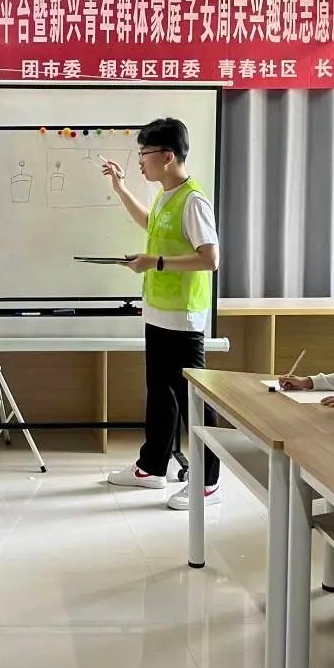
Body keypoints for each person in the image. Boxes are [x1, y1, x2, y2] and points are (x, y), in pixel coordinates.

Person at [102, 117, 221, 510]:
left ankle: (208, 482)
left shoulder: (193, 200)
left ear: (168, 156)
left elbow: (210, 259)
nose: (140, 161)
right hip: (158, 312)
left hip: (183, 318)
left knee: (194, 402)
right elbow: (151, 224)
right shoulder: (166, 196)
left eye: (145, 153)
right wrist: (121, 189)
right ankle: (152, 468)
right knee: (160, 395)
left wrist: (154, 262)